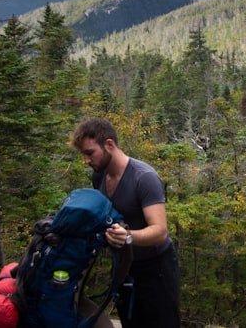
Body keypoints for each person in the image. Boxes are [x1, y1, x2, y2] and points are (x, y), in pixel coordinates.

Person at [71, 117, 181, 328]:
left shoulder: (143, 178)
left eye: (90, 153)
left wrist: (128, 236)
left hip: (157, 271)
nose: (86, 160)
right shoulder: (99, 177)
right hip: (124, 269)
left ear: (109, 144)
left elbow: (160, 232)